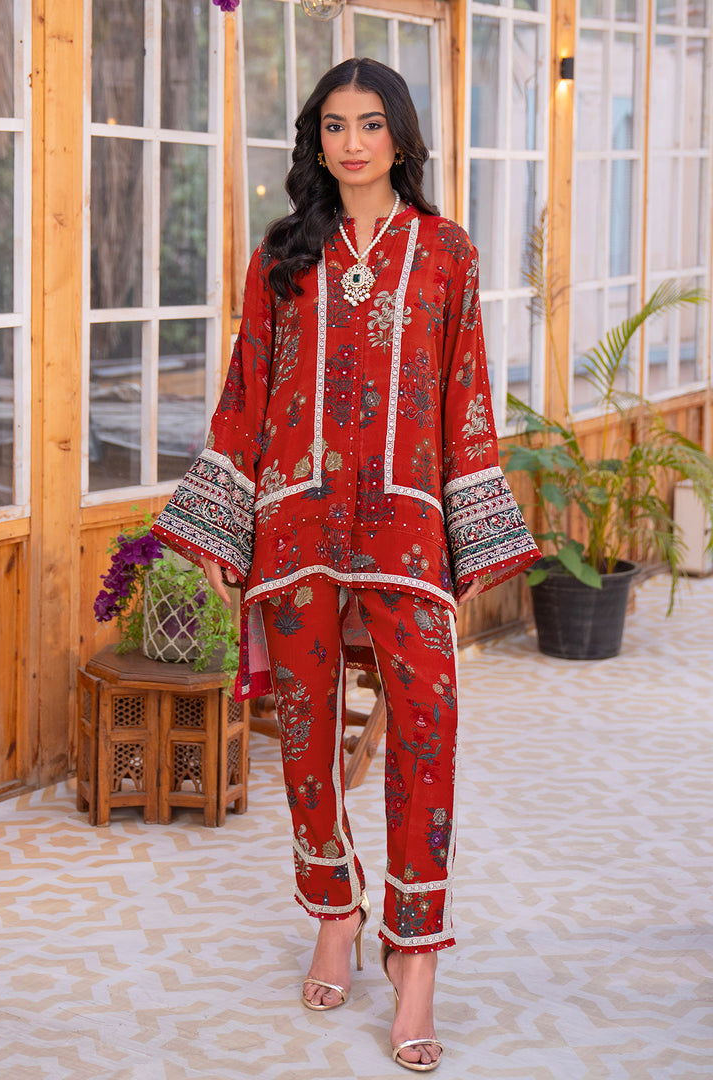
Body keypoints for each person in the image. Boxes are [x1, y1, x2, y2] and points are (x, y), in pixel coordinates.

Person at [153, 57, 539, 1072]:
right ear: (315, 140)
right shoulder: (284, 252)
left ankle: (417, 951)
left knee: (428, 729)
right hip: (295, 522)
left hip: (407, 527)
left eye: (371, 123)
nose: (353, 142)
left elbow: (465, 394)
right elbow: (246, 385)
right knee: (305, 731)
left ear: (401, 136)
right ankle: (334, 909)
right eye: (334, 125)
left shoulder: (446, 251)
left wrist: (474, 531)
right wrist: (225, 531)